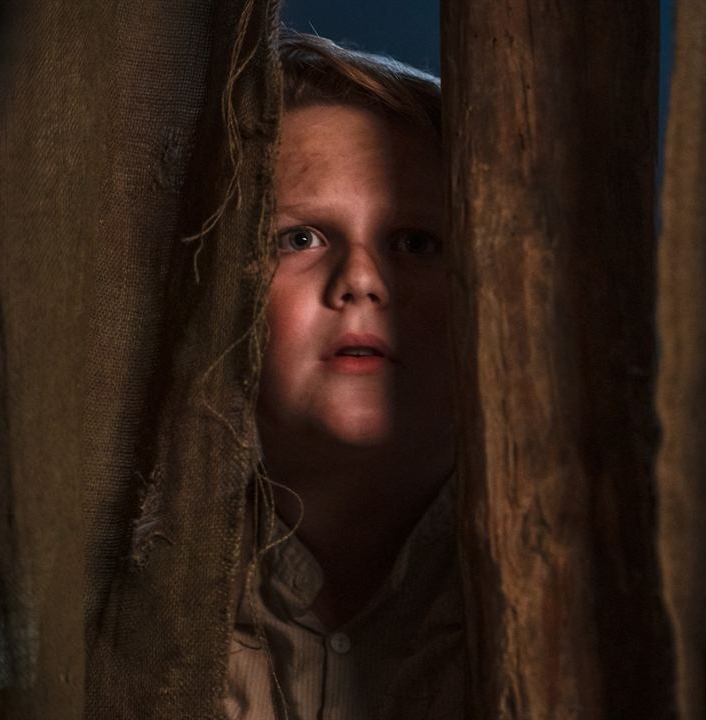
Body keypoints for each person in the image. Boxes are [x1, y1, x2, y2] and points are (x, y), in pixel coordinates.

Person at [224, 30, 462, 719]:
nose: (362, 280)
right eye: (300, 239)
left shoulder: (592, 580)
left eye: (415, 243)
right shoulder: (134, 605)